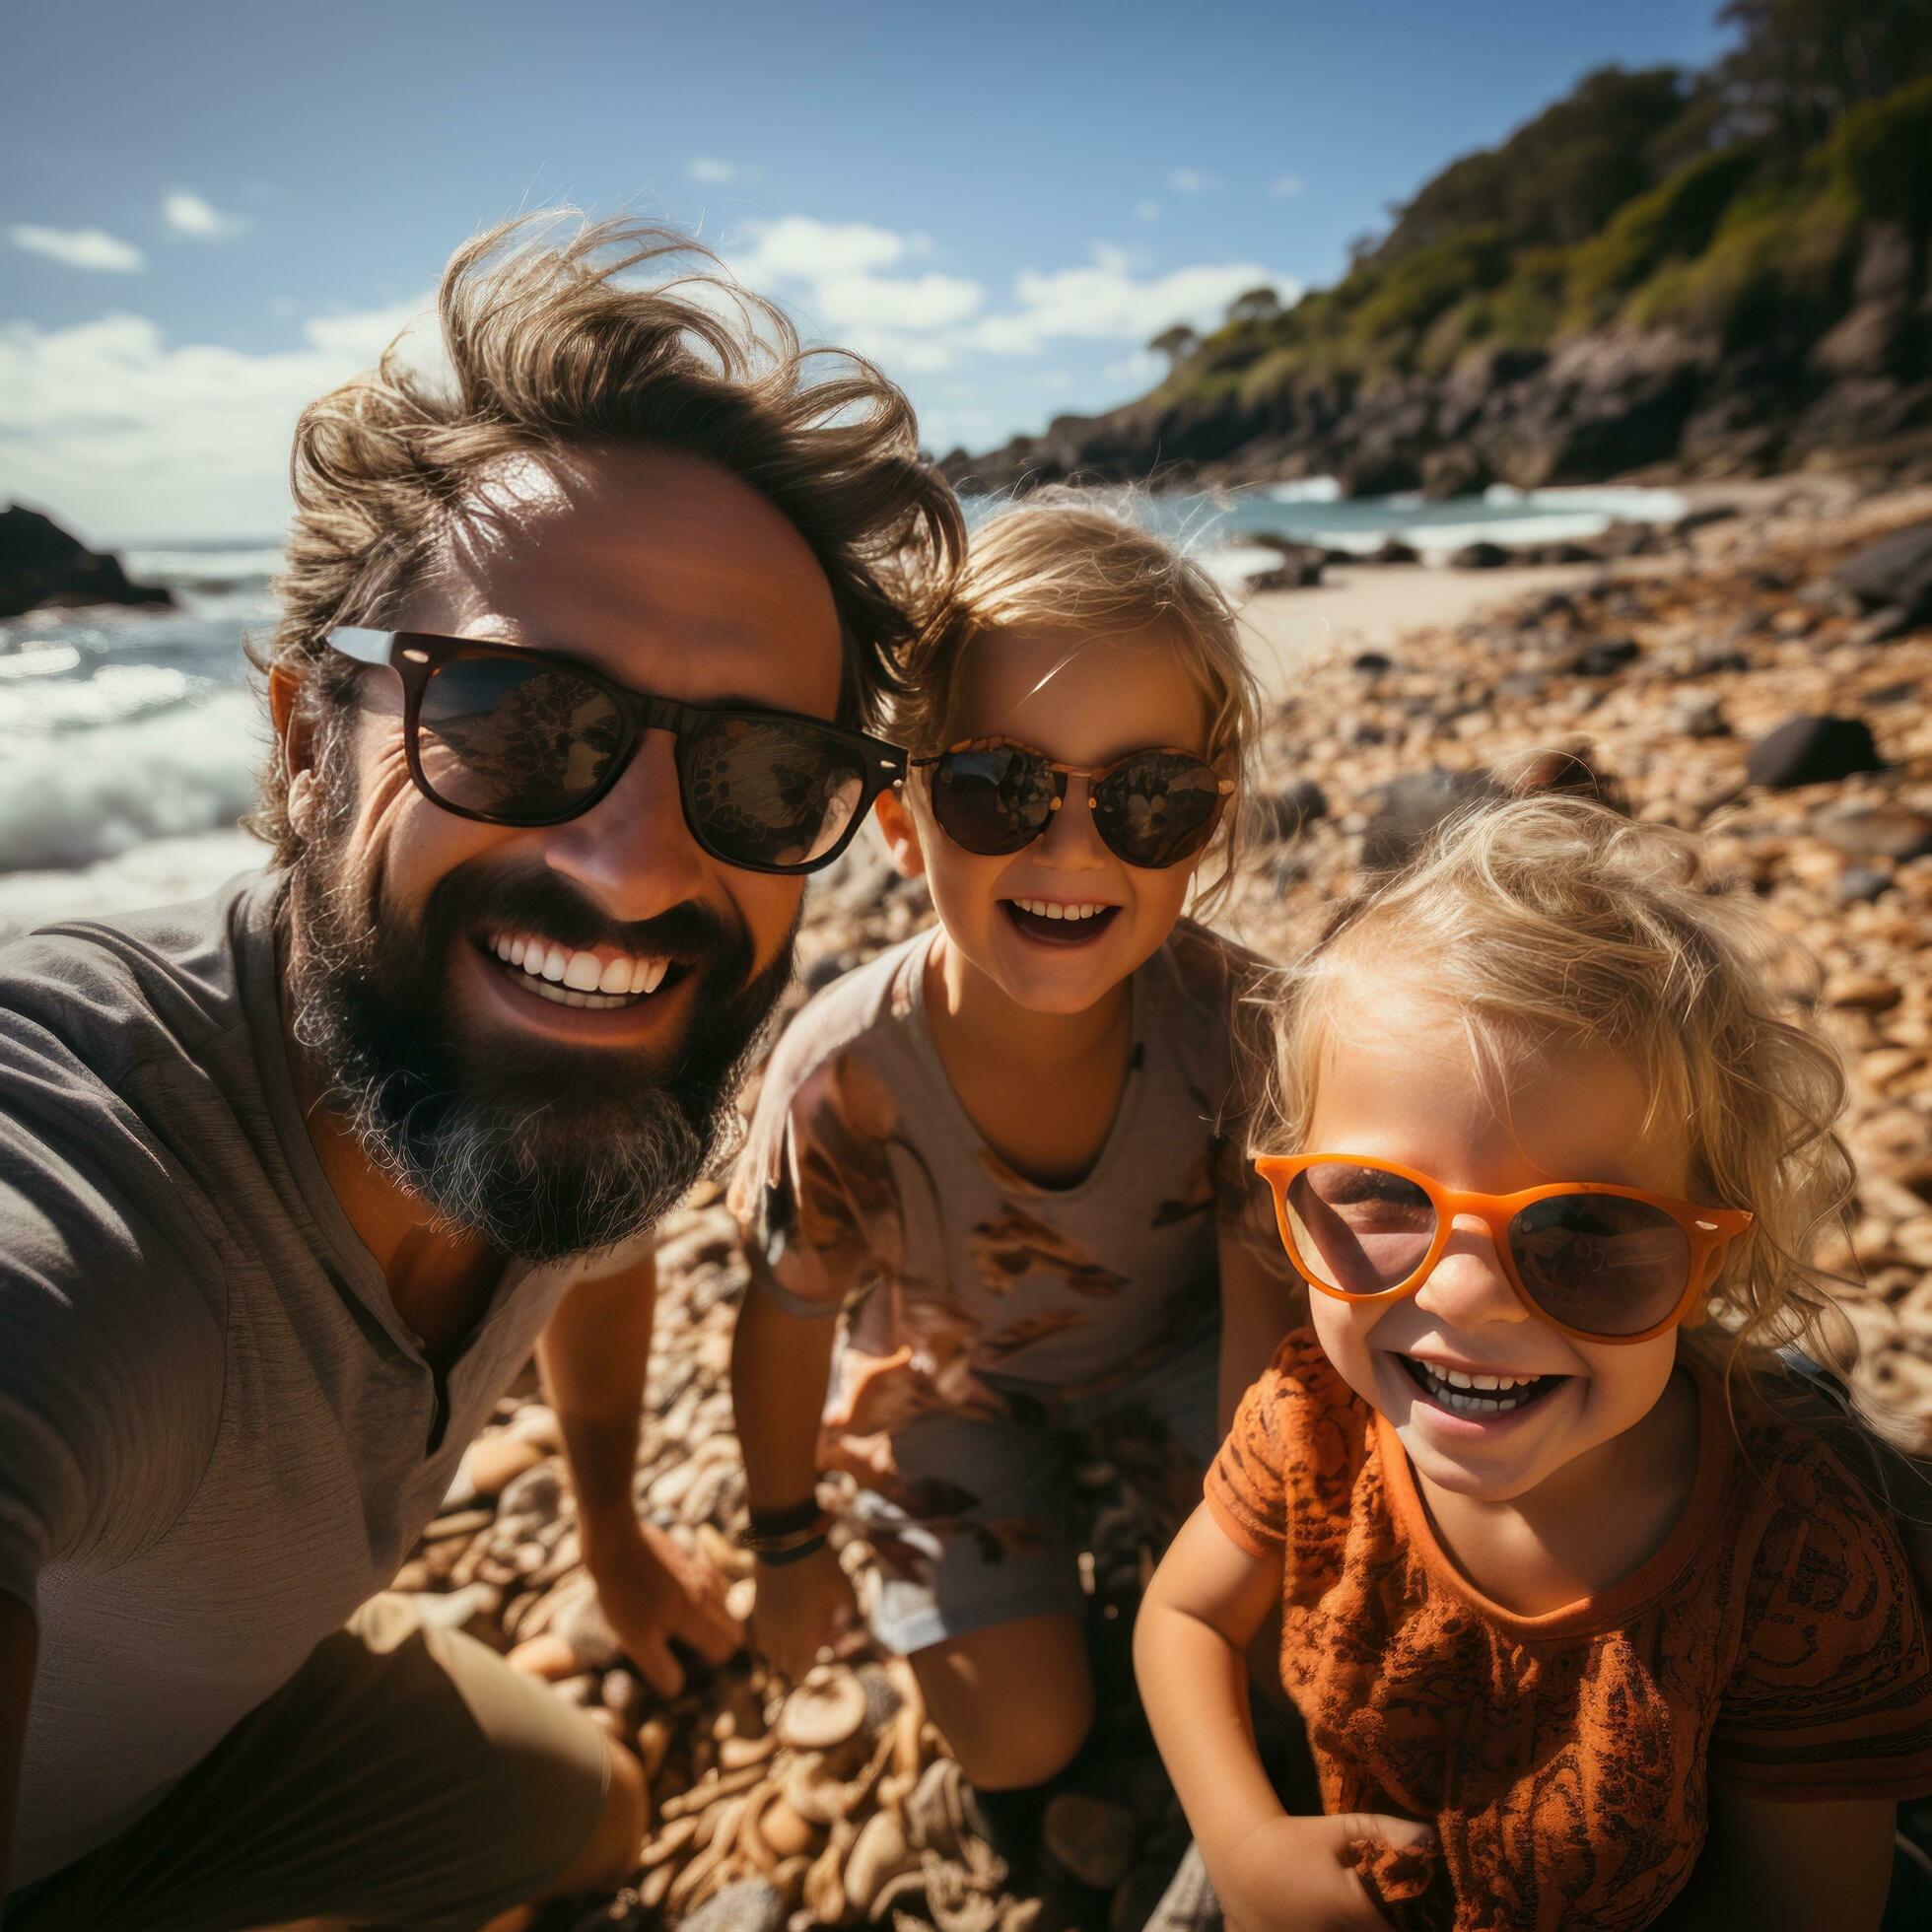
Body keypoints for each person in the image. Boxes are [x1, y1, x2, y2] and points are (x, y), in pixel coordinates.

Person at [0, 213, 960, 1931]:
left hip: (224, 1747)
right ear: (308, 740)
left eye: (758, 771)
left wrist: (607, 1523)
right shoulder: (81, 1184)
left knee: (591, 1818)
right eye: (516, 714)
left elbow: (609, 1230)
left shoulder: (572, 1087)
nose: (639, 865)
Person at [1135, 794, 1932, 1932]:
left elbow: (1804, 1905)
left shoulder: (1788, 1557)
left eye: (1584, 1232)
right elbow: (1184, 1620)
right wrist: (1244, 1843)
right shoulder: (1309, 1422)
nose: (1464, 1293)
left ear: (1714, 1253)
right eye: (1381, 1197)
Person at [728, 495, 1304, 1851]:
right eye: (1002, 789)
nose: (1071, 849)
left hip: (1183, 1358)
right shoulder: (843, 1075)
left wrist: (1241, 1573)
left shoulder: (1247, 1039)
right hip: (951, 1389)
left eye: (1145, 798)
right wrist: (784, 1543)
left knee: (1288, 1681)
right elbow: (785, 1317)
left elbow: (1264, 1351)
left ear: (1211, 824)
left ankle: (1139, 1517)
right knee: (1023, 1741)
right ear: (898, 816)